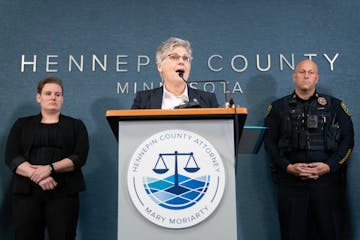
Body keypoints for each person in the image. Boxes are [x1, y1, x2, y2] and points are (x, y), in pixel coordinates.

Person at [264, 60, 354, 240]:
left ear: (317, 77)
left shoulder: (335, 106)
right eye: (302, 71)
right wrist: (288, 167)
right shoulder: (278, 108)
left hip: (327, 184)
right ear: (294, 76)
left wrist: (329, 166)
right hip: (291, 185)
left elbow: (348, 141)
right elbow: (269, 144)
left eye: (311, 72)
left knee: (329, 234)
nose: (306, 75)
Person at [5, 77, 89, 240]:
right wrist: (38, 176)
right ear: (39, 97)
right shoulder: (22, 124)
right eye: (48, 93)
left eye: (58, 94)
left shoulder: (76, 125)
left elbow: (79, 157)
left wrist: (49, 168)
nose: (53, 97)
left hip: (64, 192)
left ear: (62, 99)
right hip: (26, 191)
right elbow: (11, 157)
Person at [131, 37, 219, 109]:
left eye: (185, 58)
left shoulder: (208, 100)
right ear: (160, 66)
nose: (181, 61)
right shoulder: (143, 100)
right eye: (174, 57)